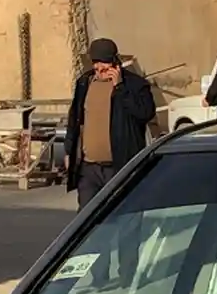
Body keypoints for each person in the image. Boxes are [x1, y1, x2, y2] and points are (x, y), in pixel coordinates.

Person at [64, 37, 158, 207]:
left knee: (122, 216)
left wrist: (120, 88)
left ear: (115, 63)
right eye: (96, 63)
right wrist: (69, 151)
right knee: (87, 220)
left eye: (104, 63)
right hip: (89, 169)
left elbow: (145, 113)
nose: (100, 68)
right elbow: (75, 119)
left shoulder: (135, 85)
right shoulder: (85, 83)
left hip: (120, 167)